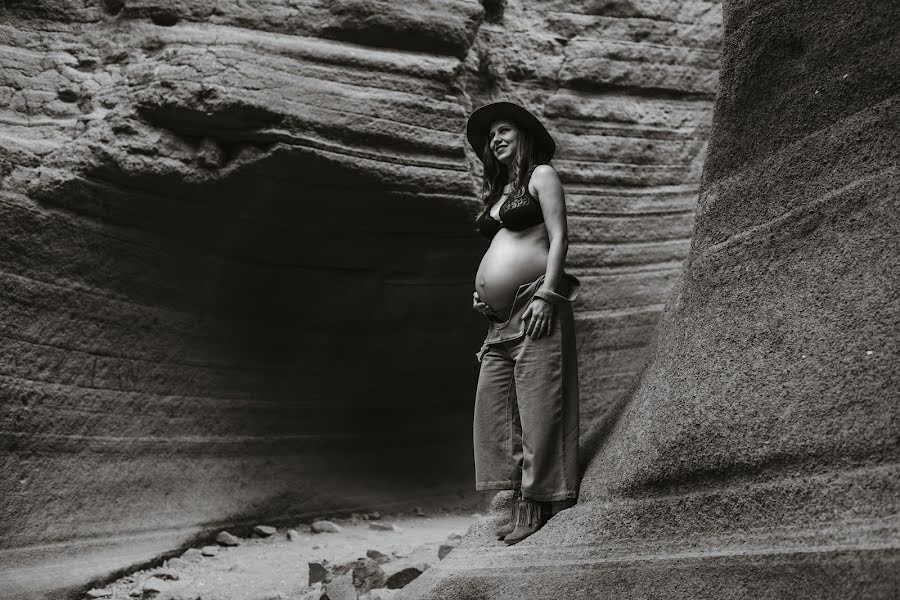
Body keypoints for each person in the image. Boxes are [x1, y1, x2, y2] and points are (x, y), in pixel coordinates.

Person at [466, 101, 580, 545]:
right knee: (493, 407)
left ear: (524, 135)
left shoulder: (542, 176)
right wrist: (483, 293)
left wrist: (550, 295)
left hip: (536, 302)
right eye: (489, 135)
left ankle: (539, 502)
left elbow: (558, 236)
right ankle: (515, 493)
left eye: (502, 130)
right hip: (499, 318)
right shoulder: (499, 195)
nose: (494, 139)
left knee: (538, 404)